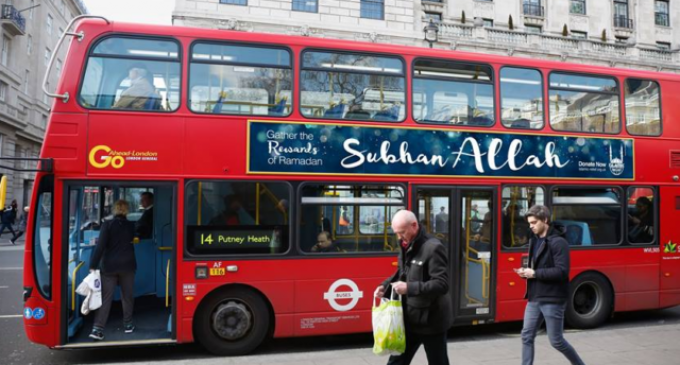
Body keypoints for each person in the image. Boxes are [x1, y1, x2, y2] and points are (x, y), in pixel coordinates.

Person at [374, 210, 452, 365]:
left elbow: (442, 284)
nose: (399, 237)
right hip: (409, 318)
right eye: (396, 233)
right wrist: (385, 286)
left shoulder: (433, 247)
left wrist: (409, 288)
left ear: (414, 225)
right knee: (396, 362)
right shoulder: (405, 243)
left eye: (402, 232)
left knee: (438, 362)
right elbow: (402, 272)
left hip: (431, 322)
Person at [515, 205, 586, 365]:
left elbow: (562, 272)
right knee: (526, 335)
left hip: (553, 299)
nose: (531, 226)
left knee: (556, 341)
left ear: (545, 220)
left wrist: (535, 273)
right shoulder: (534, 240)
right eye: (529, 223)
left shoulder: (559, 242)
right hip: (535, 297)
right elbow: (537, 267)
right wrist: (526, 272)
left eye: (534, 222)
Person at [89, 200, 137, 341]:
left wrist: (92, 265)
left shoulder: (107, 224)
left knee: (105, 298)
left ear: (115, 210)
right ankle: (128, 325)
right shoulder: (131, 225)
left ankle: (98, 329)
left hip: (109, 266)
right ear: (127, 210)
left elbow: (100, 247)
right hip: (128, 265)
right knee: (127, 296)